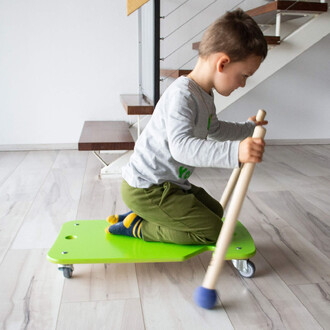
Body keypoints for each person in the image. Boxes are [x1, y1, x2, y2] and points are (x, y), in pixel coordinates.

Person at [105, 8, 268, 245]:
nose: (242, 84)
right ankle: (141, 227)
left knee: (216, 212)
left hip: (171, 185)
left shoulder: (205, 95)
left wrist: (247, 128)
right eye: (243, 75)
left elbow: (216, 130)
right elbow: (181, 148)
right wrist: (236, 153)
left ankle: (146, 217)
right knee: (212, 231)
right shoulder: (182, 96)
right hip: (148, 189)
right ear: (222, 63)